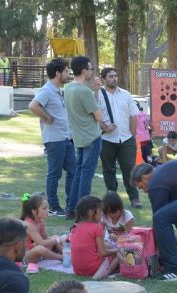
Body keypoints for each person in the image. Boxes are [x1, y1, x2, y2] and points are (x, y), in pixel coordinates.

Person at [29, 58, 77, 217]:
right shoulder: (47, 90)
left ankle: (72, 204)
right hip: (54, 139)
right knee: (54, 173)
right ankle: (53, 206)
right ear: (57, 73)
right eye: (65, 71)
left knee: (74, 170)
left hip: (66, 138)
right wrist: (47, 117)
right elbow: (33, 106)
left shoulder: (59, 91)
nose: (68, 74)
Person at [65, 56, 108, 220]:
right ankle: (82, 211)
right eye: (90, 69)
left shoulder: (69, 88)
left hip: (79, 137)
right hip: (91, 137)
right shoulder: (84, 91)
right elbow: (98, 115)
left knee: (79, 173)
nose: (91, 72)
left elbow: (88, 108)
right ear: (84, 71)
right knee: (86, 176)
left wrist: (95, 90)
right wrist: (106, 126)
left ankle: (71, 208)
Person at [97, 67, 142, 209]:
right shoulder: (98, 95)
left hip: (126, 139)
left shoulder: (126, 94)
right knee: (108, 169)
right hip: (106, 139)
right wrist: (104, 127)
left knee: (129, 169)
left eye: (115, 76)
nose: (114, 79)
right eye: (110, 76)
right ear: (104, 79)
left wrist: (132, 136)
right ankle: (112, 198)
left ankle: (134, 198)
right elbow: (94, 115)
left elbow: (134, 115)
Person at [69, 195, 119, 279]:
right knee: (118, 257)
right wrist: (117, 250)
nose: (102, 214)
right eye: (100, 211)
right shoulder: (96, 227)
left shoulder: (75, 227)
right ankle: (106, 272)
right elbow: (103, 252)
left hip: (77, 270)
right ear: (91, 212)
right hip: (93, 269)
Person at [20, 193, 63, 274]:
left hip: (37, 252)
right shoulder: (28, 224)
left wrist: (55, 239)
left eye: (48, 207)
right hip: (25, 256)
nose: (48, 210)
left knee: (54, 237)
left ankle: (67, 254)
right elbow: (41, 243)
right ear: (34, 211)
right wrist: (56, 240)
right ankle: (61, 257)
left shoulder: (40, 221)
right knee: (41, 247)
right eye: (44, 208)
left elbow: (45, 239)